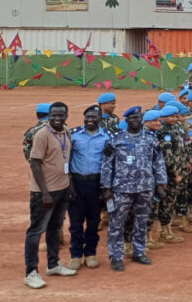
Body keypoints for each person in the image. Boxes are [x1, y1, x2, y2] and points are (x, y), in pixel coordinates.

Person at [101, 107, 168, 272]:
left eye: (138, 118)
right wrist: (106, 187)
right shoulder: (116, 139)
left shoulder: (151, 138)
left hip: (145, 187)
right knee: (117, 223)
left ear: (142, 121)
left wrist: (161, 184)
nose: (135, 121)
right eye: (132, 119)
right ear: (127, 121)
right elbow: (107, 164)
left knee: (142, 221)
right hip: (122, 188)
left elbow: (158, 162)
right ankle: (116, 256)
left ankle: (139, 252)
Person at [24, 102, 77, 289]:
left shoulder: (66, 132)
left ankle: (53, 264)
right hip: (44, 193)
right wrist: (45, 193)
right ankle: (31, 272)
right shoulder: (42, 135)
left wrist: (69, 185)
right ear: (49, 115)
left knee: (55, 228)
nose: (57, 118)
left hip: (62, 189)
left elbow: (65, 159)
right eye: (53, 115)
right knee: (36, 231)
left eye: (61, 115)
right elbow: (35, 163)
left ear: (66, 116)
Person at [67, 105, 109, 271]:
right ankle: (76, 255)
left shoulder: (107, 136)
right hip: (77, 182)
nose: (90, 120)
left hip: (96, 183)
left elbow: (110, 162)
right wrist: (69, 184)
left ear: (100, 119)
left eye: (94, 117)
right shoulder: (73, 134)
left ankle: (91, 253)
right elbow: (66, 160)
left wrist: (106, 187)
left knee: (93, 221)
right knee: (76, 222)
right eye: (88, 117)